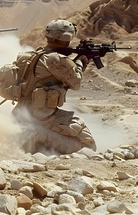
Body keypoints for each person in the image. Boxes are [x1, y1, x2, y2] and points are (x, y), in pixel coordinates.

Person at [12, 19, 97, 154]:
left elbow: (61, 74)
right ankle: (37, 134)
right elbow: (75, 83)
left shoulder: (34, 55)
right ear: (66, 38)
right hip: (42, 115)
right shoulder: (56, 59)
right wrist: (82, 60)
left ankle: (39, 142)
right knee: (88, 145)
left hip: (23, 110)